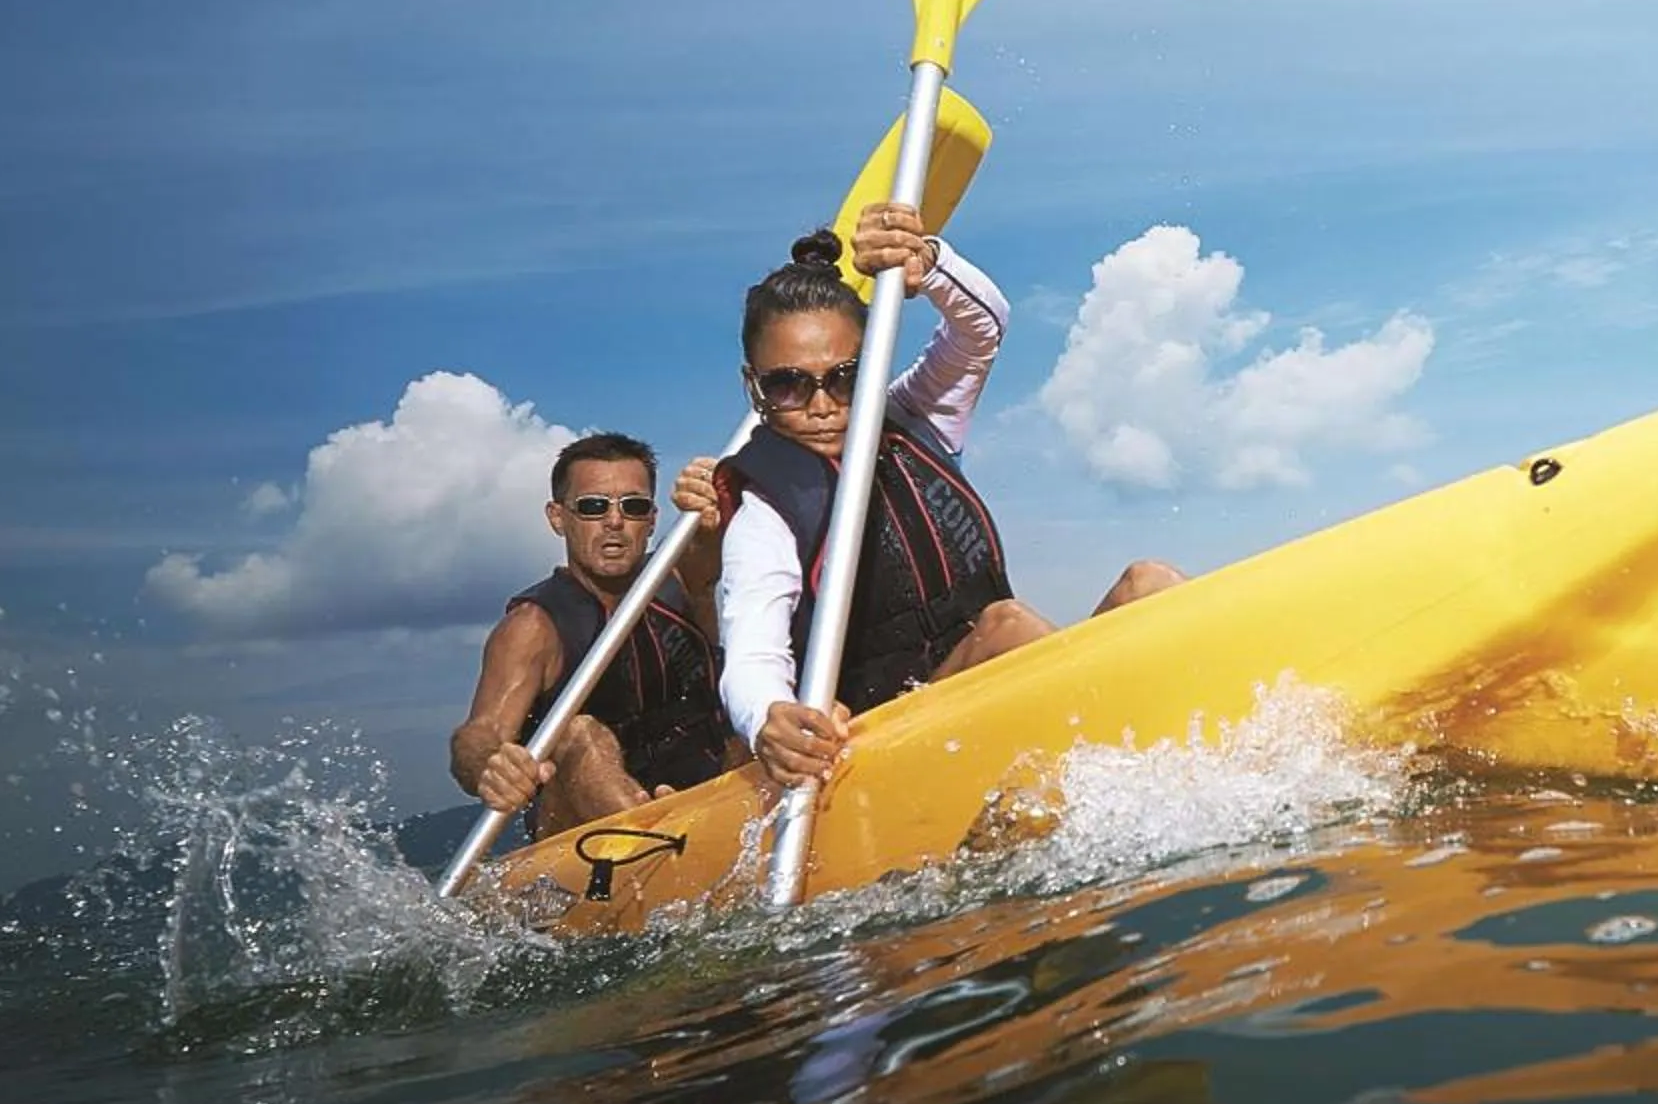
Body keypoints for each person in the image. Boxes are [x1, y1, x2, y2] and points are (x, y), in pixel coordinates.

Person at [669, 201, 1179, 791]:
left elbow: (981, 328)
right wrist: (768, 719)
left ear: (874, 361)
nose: (821, 404)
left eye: (844, 376)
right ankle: (1139, 775)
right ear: (753, 388)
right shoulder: (763, 515)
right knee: (1004, 625)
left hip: (1006, 694)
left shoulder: (920, 420)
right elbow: (753, 650)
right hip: (889, 750)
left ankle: (1207, 741)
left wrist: (929, 263)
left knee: (1150, 582)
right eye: (787, 384)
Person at [448, 432, 733, 835]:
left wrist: (716, 495)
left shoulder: (684, 576)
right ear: (557, 517)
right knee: (578, 735)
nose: (614, 521)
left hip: (707, 787)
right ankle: (654, 838)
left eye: (633, 507)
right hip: (587, 826)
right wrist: (489, 767)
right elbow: (481, 735)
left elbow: (711, 539)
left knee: (763, 699)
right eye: (593, 507)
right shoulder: (533, 627)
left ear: (652, 519)